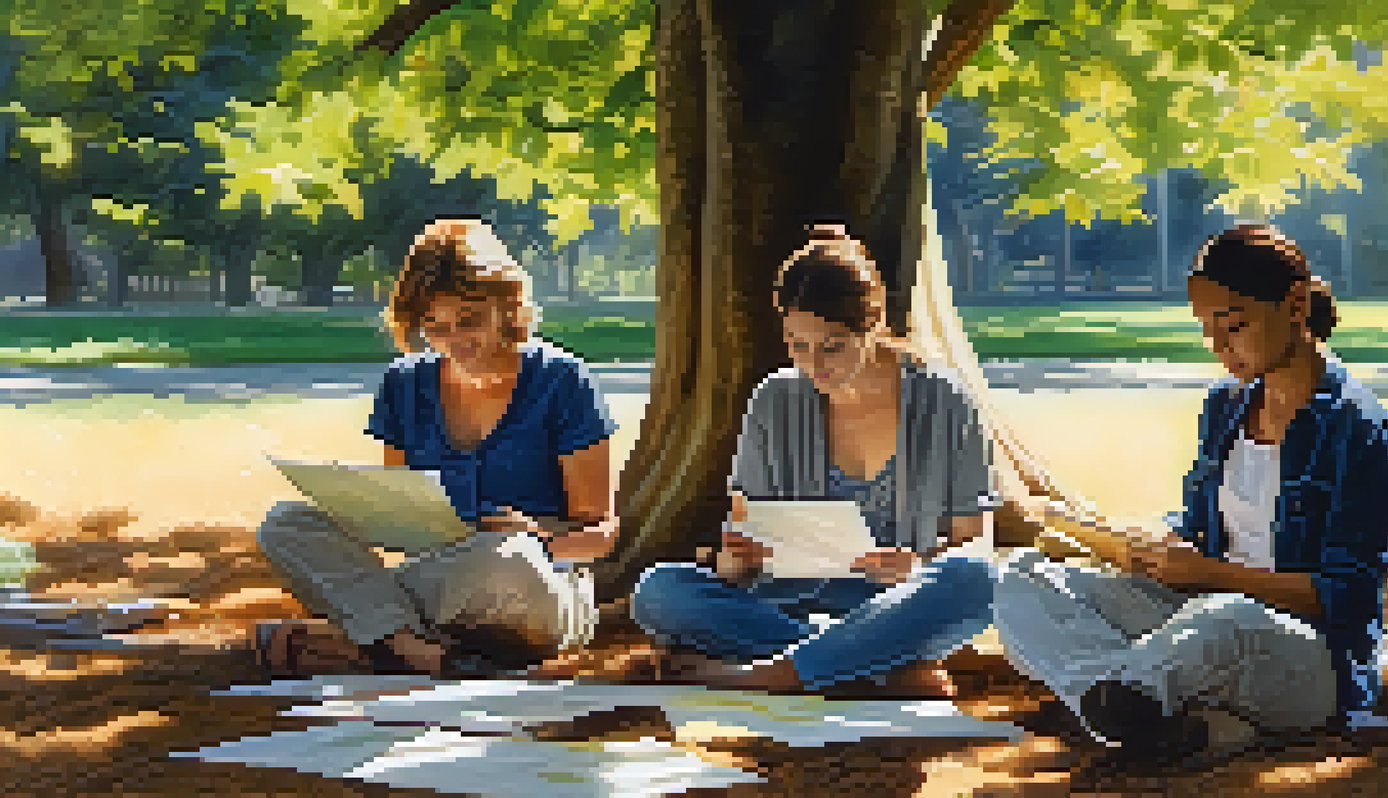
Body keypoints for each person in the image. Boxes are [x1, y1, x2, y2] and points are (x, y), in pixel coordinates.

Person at [992, 224, 1388, 765]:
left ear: (1296, 305)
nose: (1217, 347)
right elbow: (1205, 527)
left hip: (1305, 654)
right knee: (1024, 580)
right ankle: (1155, 714)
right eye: (1206, 328)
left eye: (1233, 326)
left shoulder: (1358, 427)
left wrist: (1209, 575)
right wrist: (1158, 547)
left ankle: (1118, 704)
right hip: (1199, 615)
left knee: (1224, 619)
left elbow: (1348, 599)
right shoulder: (1224, 408)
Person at [626, 223, 997, 698]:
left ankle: (770, 674)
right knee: (659, 590)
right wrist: (734, 563)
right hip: (785, 602)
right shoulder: (774, 399)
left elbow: (973, 544)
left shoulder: (944, 400)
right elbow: (745, 533)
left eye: (832, 346)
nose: (814, 364)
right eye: (798, 345)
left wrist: (917, 567)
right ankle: (871, 670)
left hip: (897, 606)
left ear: (873, 323)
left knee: (977, 578)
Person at [256, 217, 619, 678]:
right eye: (435, 325)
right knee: (285, 524)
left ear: (507, 307)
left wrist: (538, 536)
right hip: (439, 576)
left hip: (536, 582)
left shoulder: (562, 380)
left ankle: (374, 638)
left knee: (506, 562)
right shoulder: (404, 384)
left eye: (469, 321)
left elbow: (602, 536)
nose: (454, 342)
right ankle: (421, 651)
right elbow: (394, 514)